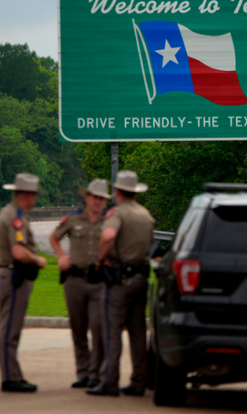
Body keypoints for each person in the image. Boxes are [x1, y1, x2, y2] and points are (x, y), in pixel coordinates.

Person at [86, 170, 154, 397]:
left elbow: (107, 236)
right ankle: (139, 381)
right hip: (141, 278)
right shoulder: (146, 215)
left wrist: (101, 259)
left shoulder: (117, 213)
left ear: (116, 192)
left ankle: (109, 381)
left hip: (119, 280)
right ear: (134, 192)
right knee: (137, 332)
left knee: (111, 331)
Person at [50, 179, 110, 389]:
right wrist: (61, 256)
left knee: (98, 327)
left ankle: (96, 374)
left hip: (98, 282)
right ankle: (83, 373)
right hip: (75, 281)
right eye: (95, 197)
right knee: (78, 329)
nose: (98, 202)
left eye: (102, 198)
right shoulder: (74, 219)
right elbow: (54, 236)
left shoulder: (109, 222)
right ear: (87, 198)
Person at [0, 173, 47, 393]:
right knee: (10, 330)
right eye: (33, 195)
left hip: (10, 275)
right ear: (26, 195)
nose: (35, 199)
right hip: (14, 276)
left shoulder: (14, 214)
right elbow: (18, 251)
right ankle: (10, 378)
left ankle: (13, 375)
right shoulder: (15, 217)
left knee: (11, 328)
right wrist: (37, 259)